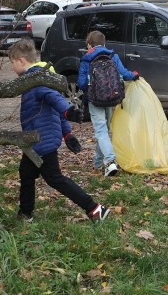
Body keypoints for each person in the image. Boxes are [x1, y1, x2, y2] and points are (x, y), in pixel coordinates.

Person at [9, 38, 110, 222]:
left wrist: (68, 110)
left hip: (42, 141)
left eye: (12, 63)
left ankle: (94, 208)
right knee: (26, 173)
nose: (12, 67)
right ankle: (25, 213)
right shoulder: (38, 77)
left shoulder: (36, 81)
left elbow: (54, 99)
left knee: (55, 179)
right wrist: (67, 133)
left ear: (21, 61)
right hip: (34, 140)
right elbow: (54, 108)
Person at [77, 30, 138, 177]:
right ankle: (98, 163)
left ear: (89, 45)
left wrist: (89, 91)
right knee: (103, 131)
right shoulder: (113, 56)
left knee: (100, 131)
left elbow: (81, 83)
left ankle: (110, 161)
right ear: (104, 43)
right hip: (112, 98)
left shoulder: (87, 59)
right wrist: (135, 75)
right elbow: (124, 74)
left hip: (95, 100)